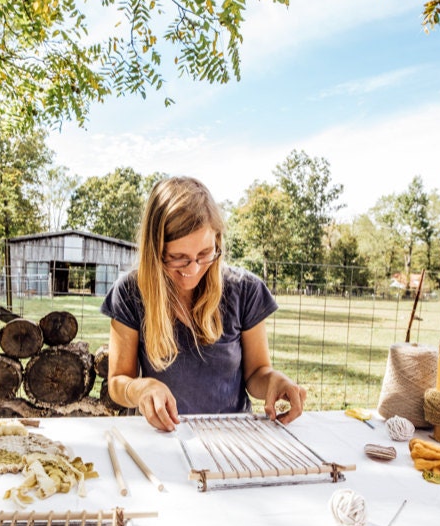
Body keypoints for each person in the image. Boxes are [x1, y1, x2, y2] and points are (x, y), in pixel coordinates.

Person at [101, 176, 307, 431]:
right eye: (178, 257)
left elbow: (257, 374)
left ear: (217, 241)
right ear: (155, 250)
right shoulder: (131, 293)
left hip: (233, 435)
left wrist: (274, 381)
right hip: (164, 435)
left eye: (204, 254)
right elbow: (118, 382)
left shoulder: (245, 291)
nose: (194, 269)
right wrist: (141, 388)